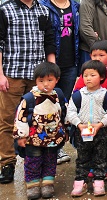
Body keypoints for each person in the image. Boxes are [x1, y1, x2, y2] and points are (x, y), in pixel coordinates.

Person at [0, 0, 56, 185]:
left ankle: (34, 162)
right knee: (7, 121)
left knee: (37, 120)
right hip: (12, 75)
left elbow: (49, 41)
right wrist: (1, 74)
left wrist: (51, 70)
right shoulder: (5, 10)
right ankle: (7, 163)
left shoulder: (43, 11)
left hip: (37, 78)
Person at [39, 0, 80, 165]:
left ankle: (60, 144)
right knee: (48, 105)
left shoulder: (76, 7)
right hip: (49, 64)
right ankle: (50, 146)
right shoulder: (43, 6)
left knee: (63, 105)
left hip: (71, 64)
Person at [13, 61, 67, 200]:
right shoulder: (30, 98)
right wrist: (21, 136)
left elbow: (63, 114)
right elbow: (20, 118)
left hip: (53, 137)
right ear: (36, 80)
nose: (45, 84)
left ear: (57, 80)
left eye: (50, 80)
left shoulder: (58, 96)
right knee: (33, 161)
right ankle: (33, 185)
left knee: (50, 160)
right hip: (33, 139)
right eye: (41, 81)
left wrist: (65, 131)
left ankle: (48, 184)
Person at [67, 60, 107, 197]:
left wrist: (100, 124)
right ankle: (80, 181)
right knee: (82, 157)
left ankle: (99, 180)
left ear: (102, 77)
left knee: (101, 157)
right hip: (82, 131)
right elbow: (71, 112)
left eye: (92, 75)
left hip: (101, 131)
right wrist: (78, 124)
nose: (88, 78)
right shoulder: (77, 95)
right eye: (85, 75)